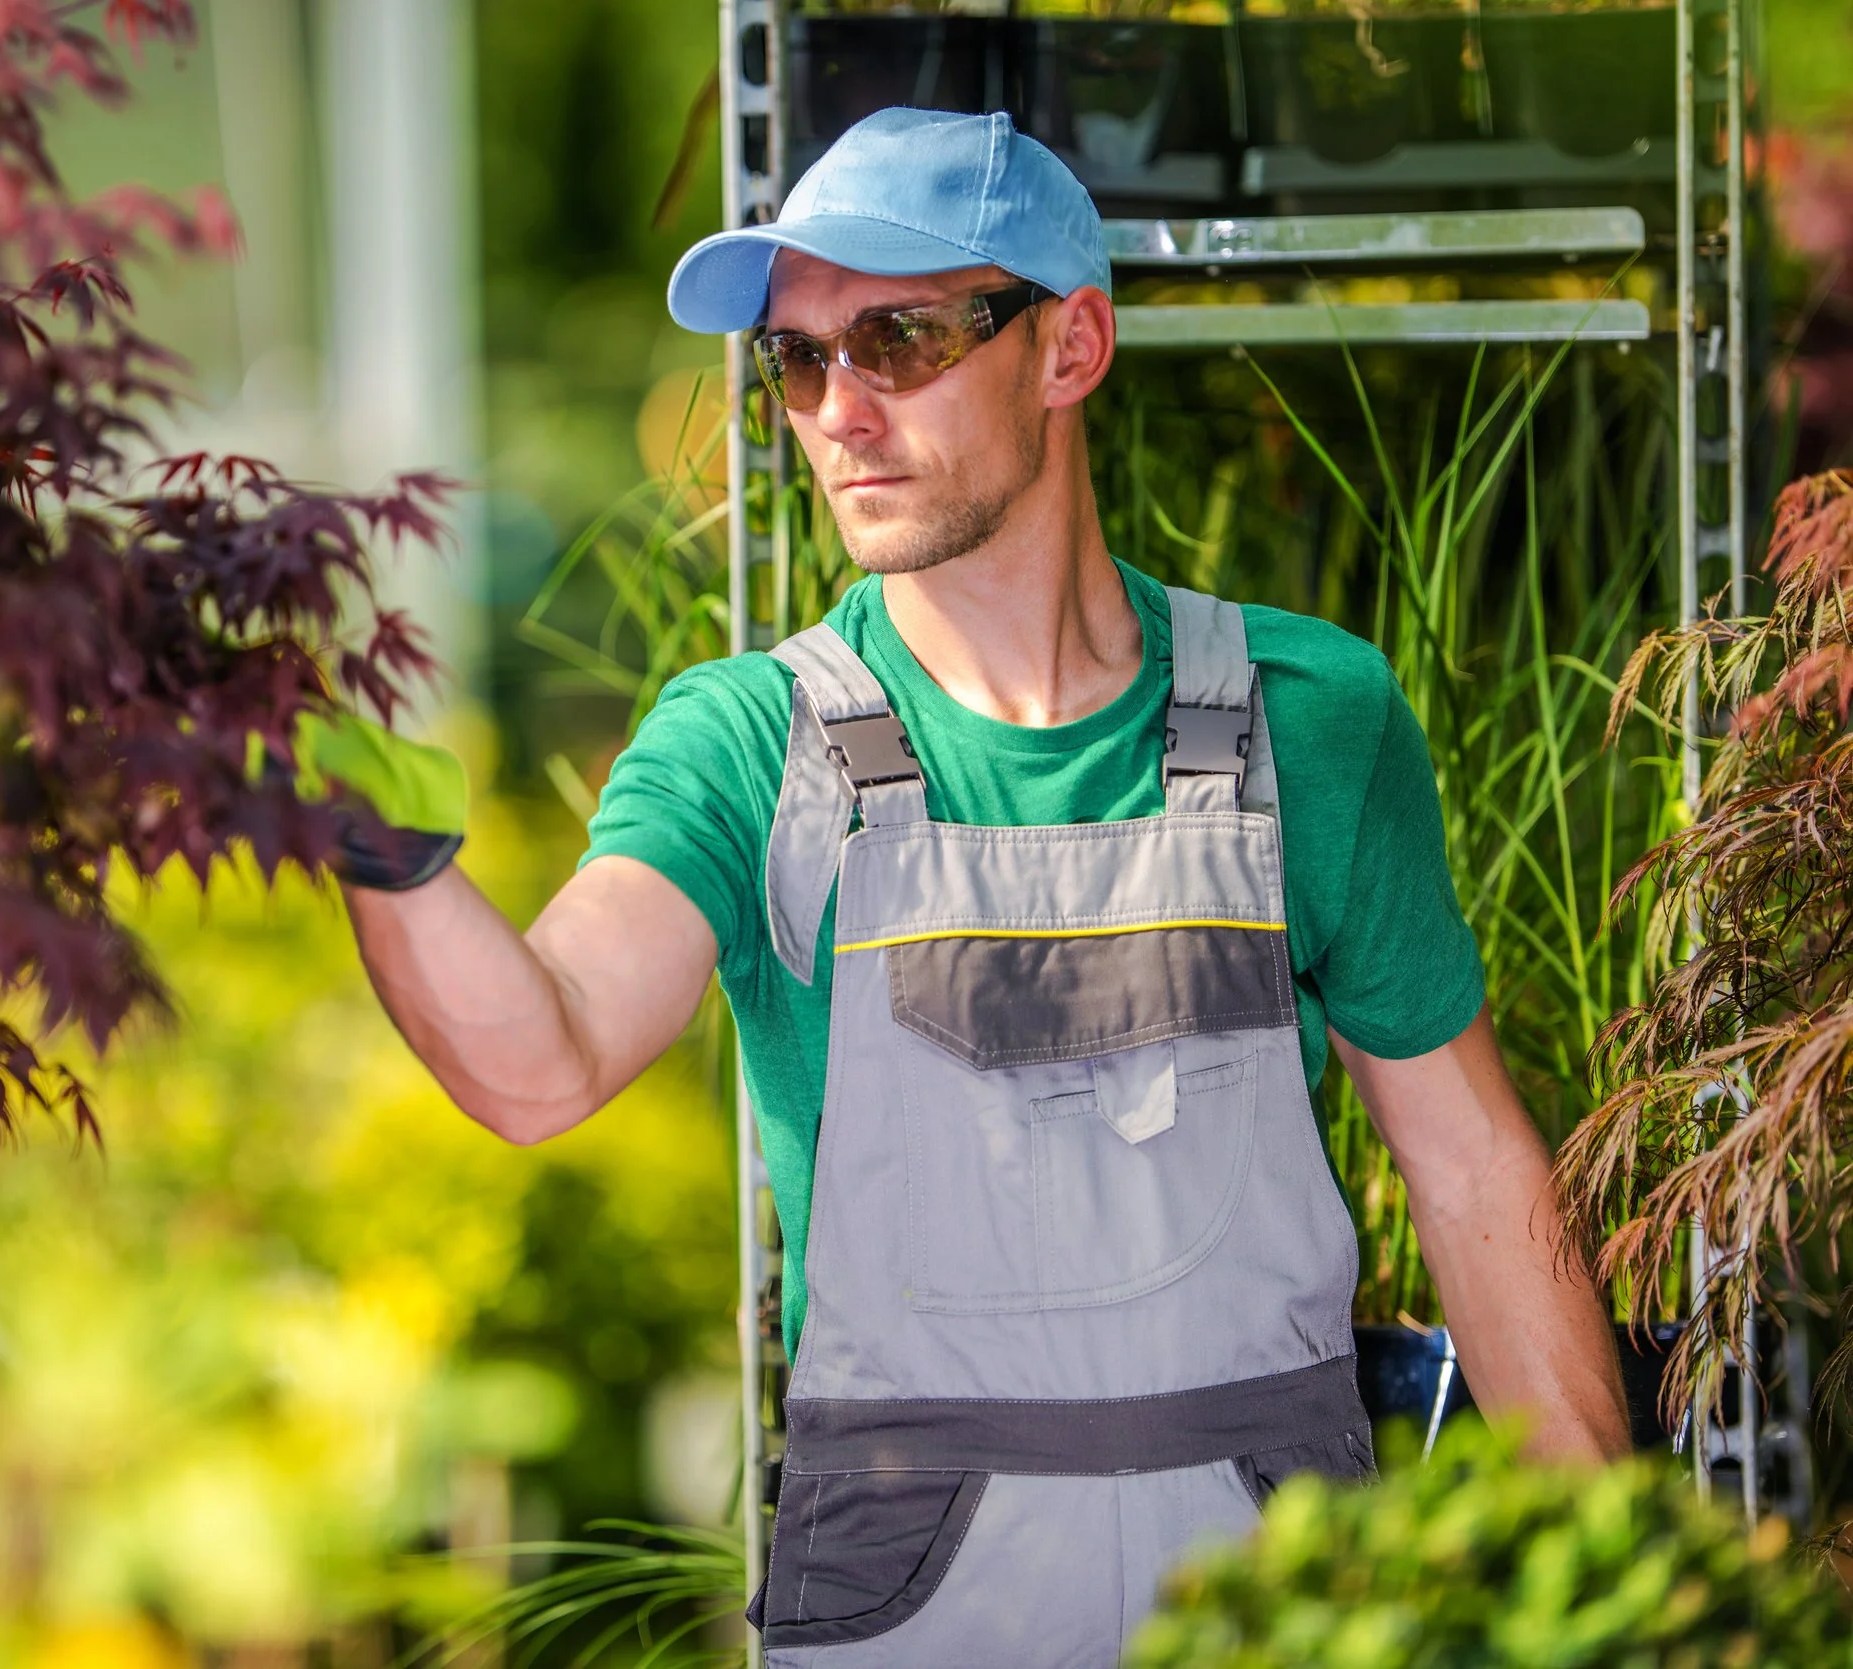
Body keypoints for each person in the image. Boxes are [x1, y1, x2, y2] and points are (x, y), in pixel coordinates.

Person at [335, 107, 1630, 1667]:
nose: (837, 411)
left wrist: (1605, 1571)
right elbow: (537, 1062)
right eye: (798, 362)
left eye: (897, 338)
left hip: (1280, 1609)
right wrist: (372, 835)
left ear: (1069, 346)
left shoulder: (1310, 717)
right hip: (909, 1619)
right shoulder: (751, 743)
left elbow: (1477, 1171)